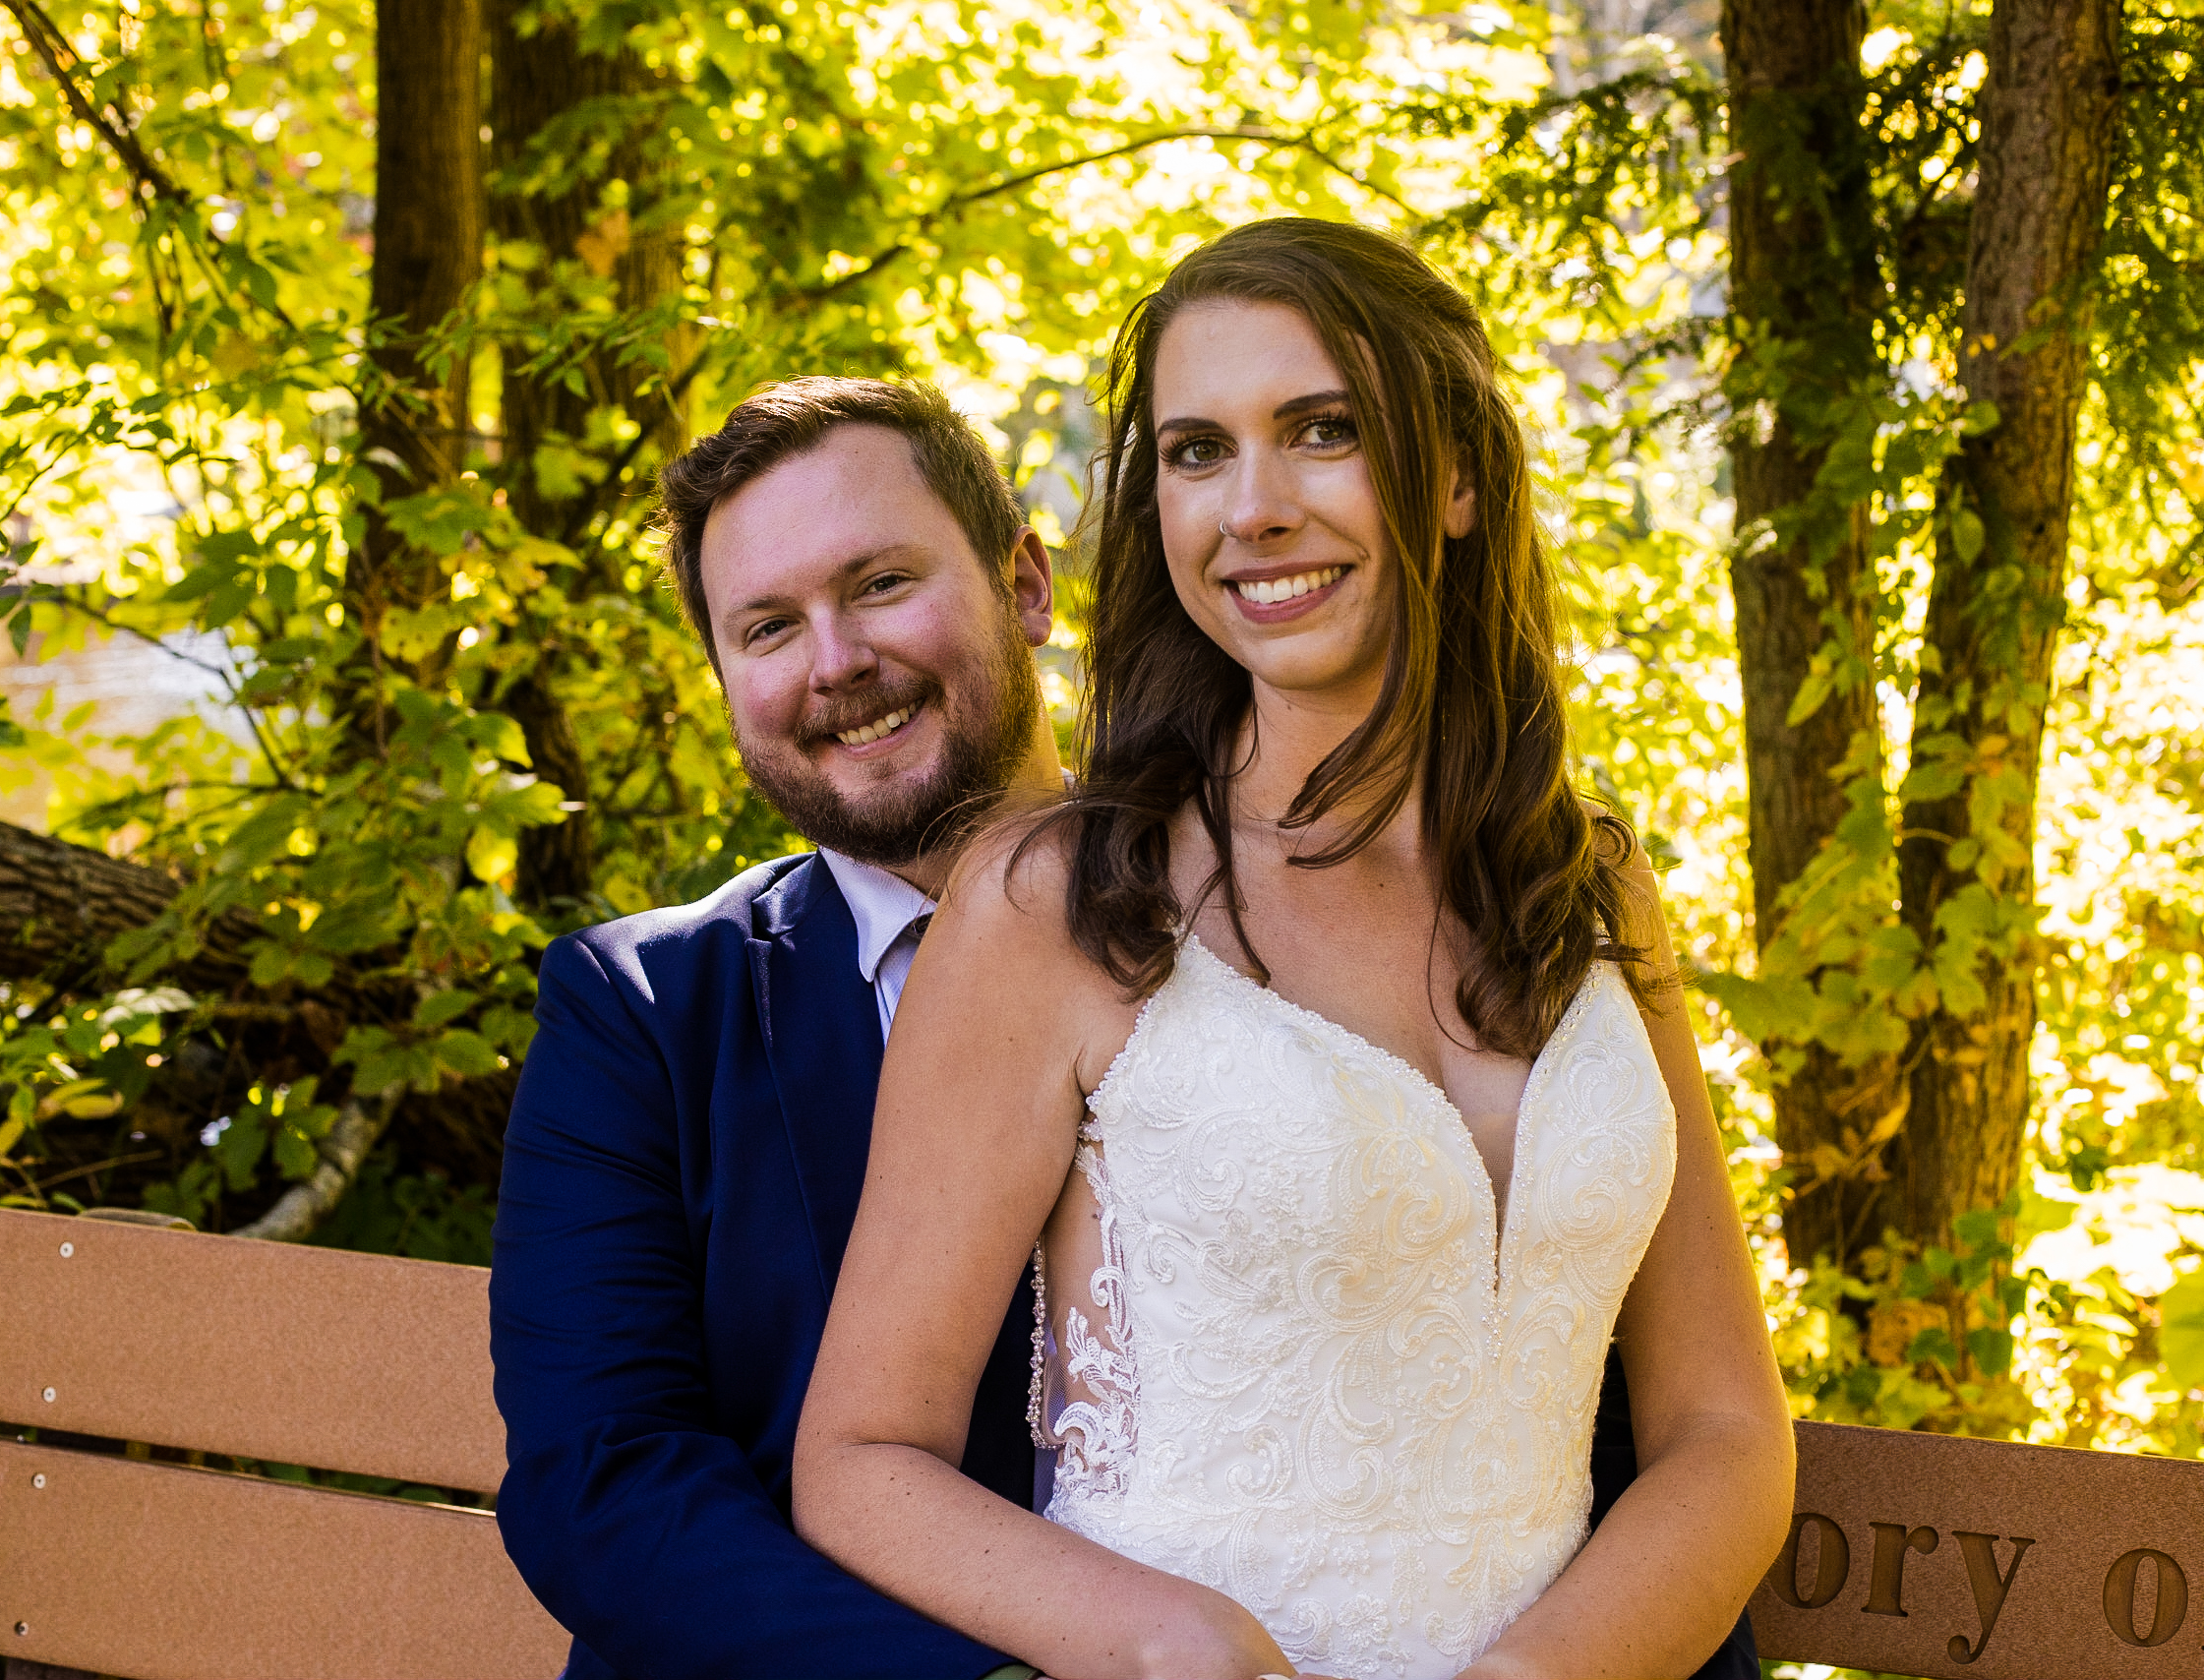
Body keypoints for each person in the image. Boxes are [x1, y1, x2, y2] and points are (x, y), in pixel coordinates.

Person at [790, 220, 1795, 1680]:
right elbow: (863, 1456)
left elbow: (1724, 1430)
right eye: (1197, 452)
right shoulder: (1062, 904)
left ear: (1453, 475)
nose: (1249, 508)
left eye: (1320, 431)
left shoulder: (1594, 890)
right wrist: (1165, 1641)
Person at [489, 378, 1065, 1680]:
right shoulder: (639, 1014)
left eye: (877, 585)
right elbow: (607, 1480)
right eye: (766, 628)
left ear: (1025, 585)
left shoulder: (1245, 926)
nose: (835, 662)